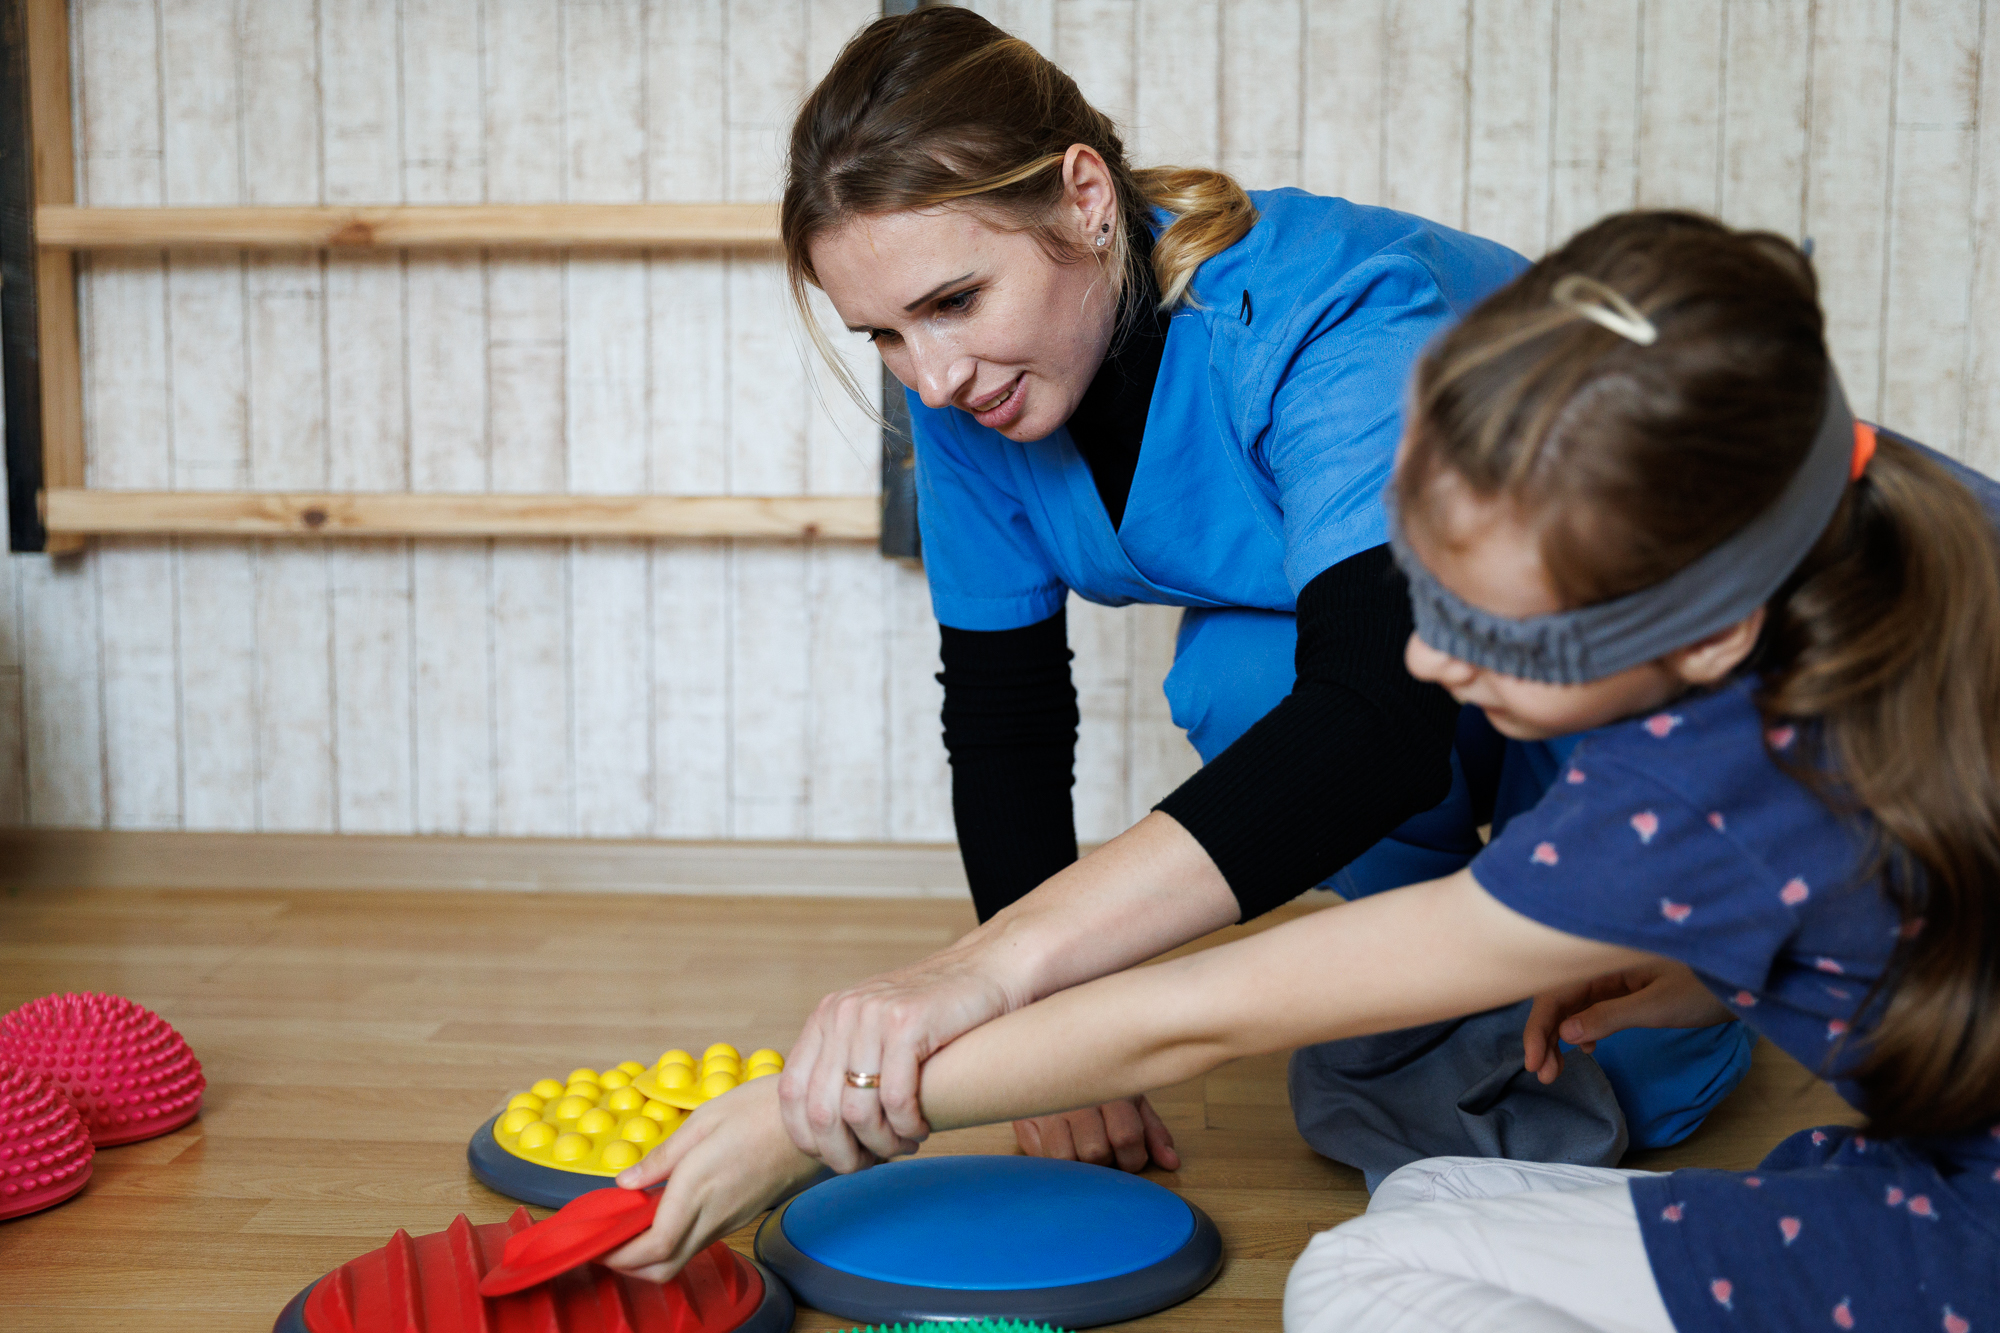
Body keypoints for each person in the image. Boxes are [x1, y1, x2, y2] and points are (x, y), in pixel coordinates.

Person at [602, 210, 2000, 1331]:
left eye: (1492, 630)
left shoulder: (1690, 795)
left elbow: (1199, 1017)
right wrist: (1699, 960)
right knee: (1431, 1197)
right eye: (1428, 595)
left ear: (1700, 628)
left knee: (1355, 1280)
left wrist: (812, 1118)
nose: (1432, 660)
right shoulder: (1874, 581)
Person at [776, 4, 1747, 1183]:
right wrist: (1036, 1027)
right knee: (1238, 672)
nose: (929, 379)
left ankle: (1669, 939)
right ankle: (1454, 972)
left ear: (1084, 198)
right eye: (881, 335)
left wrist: (993, 975)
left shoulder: (1331, 313)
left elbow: (1377, 716)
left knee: (1632, 1070)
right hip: (1436, 665)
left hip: (1649, 659)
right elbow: (1004, 715)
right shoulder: (974, 395)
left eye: (951, 302)